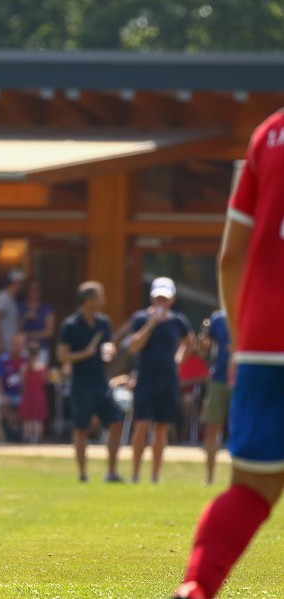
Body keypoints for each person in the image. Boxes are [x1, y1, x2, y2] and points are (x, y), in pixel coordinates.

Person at [174, 110, 284, 599]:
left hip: (264, 341)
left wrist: (243, 342)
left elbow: (230, 257)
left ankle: (196, 588)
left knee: (251, 490)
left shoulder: (270, 134)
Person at [125, 276, 194, 483]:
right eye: (158, 298)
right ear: (151, 298)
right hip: (145, 379)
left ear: (172, 299)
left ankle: (155, 475)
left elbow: (189, 341)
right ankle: (135, 474)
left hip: (168, 380)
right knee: (141, 426)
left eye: (165, 298)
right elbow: (133, 346)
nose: (161, 302)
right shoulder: (139, 318)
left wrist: (179, 359)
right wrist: (151, 324)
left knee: (161, 428)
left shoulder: (178, 320)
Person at [56, 281, 124, 483]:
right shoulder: (70, 325)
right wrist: (83, 354)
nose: (103, 301)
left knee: (116, 422)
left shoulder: (104, 322)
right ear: (88, 301)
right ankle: (83, 474)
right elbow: (62, 356)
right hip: (81, 383)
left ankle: (111, 472)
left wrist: (110, 352)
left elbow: (109, 347)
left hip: (100, 382)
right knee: (81, 428)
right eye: (100, 297)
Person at [199, 311, 231, 485]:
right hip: (218, 380)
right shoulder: (217, 319)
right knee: (212, 428)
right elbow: (202, 350)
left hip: (242, 379)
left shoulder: (249, 312)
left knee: (240, 430)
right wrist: (203, 336)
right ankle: (209, 478)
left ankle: (238, 480)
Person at [0, 269, 25, 372]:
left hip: (7, 350)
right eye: (21, 282)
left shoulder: (11, 299)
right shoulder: (3, 297)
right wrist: (0, 344)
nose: (22, 285)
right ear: (15, 282)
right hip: (0, 349)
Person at [18, 279, 55, 365]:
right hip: (23, 349)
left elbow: (49, 332)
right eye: (31, 290)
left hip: (41, 349)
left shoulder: (47, 309)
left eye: (36, 291)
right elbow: (17, 329)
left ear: (41, 292)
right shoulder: (20, 307)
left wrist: (29, 334)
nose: (33, 293)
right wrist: (25, 318)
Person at [19, 338, 48, 444]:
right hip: (39, 394)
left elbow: (23, 382)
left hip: (28, 394)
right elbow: (44, 380)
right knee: (39, 418)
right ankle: (39, 439)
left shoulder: (24, 367)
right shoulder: (42, 367)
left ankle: (26, 439)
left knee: (27, 419)